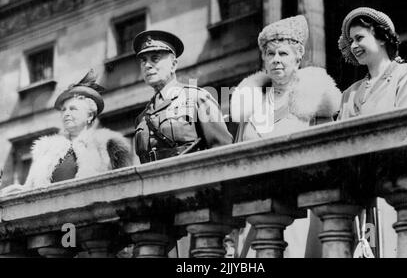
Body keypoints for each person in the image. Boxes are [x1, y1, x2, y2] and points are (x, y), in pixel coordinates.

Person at [230, 15, 342, 257]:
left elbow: (331, 163)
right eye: (270, 54)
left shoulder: (316, 102)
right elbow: (235, 166)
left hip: (299, 212)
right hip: (255, 212)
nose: (276, 60)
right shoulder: (249, 105)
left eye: (283, 54)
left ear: (298, 57)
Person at [336, 6, 407, 257]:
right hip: (361, 198)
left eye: (360, 37)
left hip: (397, 188)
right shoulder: (349, 93)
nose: (354, 45)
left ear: (381, 37)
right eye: (351, 41)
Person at [0, 70, 132, 194]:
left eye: (73, 109)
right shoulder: (45, 150)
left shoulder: (109, 144)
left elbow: (124, 186)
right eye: (64, 110)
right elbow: (28, 190)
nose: (66, 114)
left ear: (90, 115)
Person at [132, 30, 232, 164]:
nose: (147, 65)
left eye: (155, 58)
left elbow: (223, 151)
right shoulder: (142, 117)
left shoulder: (196, 98)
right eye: (143, 61)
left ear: (173, 65)